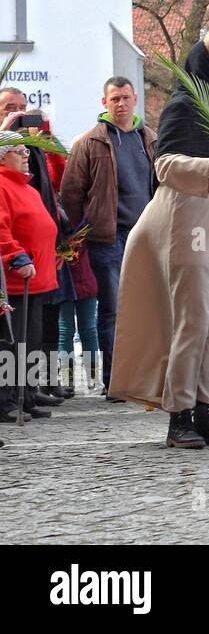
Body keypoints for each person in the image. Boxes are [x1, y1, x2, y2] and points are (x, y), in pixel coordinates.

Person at [109, 33, 209, 449]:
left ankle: (206, 409)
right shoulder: (183, 105)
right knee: (192, 321)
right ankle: (179, 415)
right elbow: (164, 163)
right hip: (188, 219)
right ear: (208, 68)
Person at [60, 77, 156, 400]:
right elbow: (71, 193)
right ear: (104, 103)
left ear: (135, 99)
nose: (120, 104)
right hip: (107, 238)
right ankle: (116, 382)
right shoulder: (90, 143)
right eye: (114, 99)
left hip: (145, 236)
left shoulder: (150, 139)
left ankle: (142, 378)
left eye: (125, 98)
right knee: (112, 310)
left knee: (145, 309)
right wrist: (83, 232)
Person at [0, 130, 59, 423]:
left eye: (26, 152)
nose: (27, 157)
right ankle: (8, 399)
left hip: (36, 278)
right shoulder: (1, 185)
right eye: (20, 152)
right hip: (15, 279)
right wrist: (15, 256)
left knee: (32, 339)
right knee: (13, 342)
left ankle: (28, 391)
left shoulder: (27, 187)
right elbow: (1, 230)